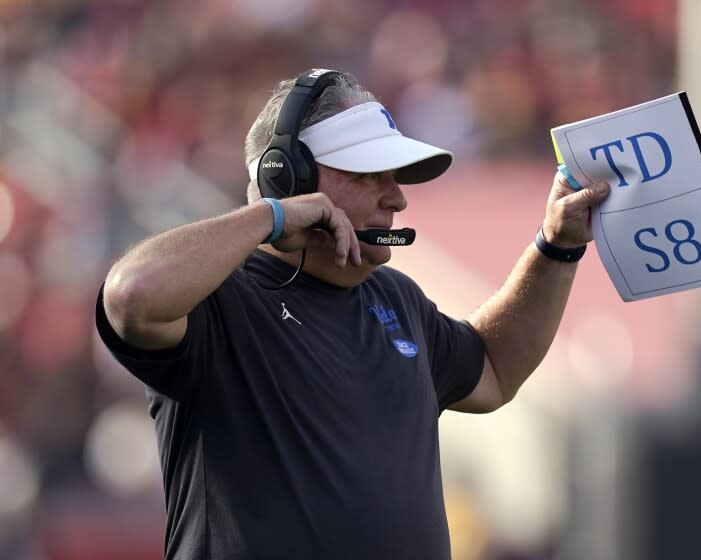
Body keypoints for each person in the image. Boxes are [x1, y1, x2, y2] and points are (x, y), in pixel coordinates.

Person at [95, 69, 610, 559]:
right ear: (287, 177)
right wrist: (272, 217)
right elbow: (133, 293)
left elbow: (494, 370)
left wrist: (556, 247)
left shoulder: (396, 299)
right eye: (370, 176)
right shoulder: (221, 299)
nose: (398, 199)